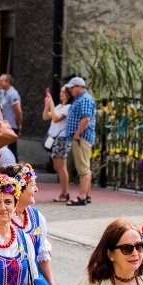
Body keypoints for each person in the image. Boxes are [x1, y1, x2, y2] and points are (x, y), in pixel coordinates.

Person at [4, 163, 57, 285]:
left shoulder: (36, 217)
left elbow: (42, 256)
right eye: (32, 185)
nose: (36, 189)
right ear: (19, 189)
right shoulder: (1, 219)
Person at [63, 77, 96, 207]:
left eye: (72, 88)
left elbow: (86, 119)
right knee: (85, 167)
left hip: (81, 138)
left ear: (79, 87)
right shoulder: (81, 99)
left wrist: (77, 134)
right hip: (81, 138)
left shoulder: (84, 99)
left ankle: (82, 197)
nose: (70, 90)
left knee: (83, 169)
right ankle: (86, 195)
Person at [43, 86, 73, 202]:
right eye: (61, 91)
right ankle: (63, 192)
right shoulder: (59, 106)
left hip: (62, 138)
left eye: (64, 92)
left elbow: (56, 118)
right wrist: (47, 105)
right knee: (56, 165)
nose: (61, 94)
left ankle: (65, 193)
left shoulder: (68, 107)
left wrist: (51, 104)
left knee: (61, 166)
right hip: (55, 138)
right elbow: (46, 116)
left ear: (69, 94)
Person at [0, 74, 22, 160]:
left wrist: (19, 124)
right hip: (4, 126)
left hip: (11, 126)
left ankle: (15, 167)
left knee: (11, 150)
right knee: (6, 150)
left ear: (8, 82)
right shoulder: (3, 93)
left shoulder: (13, 94)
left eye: (1, 81)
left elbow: (18, 111)